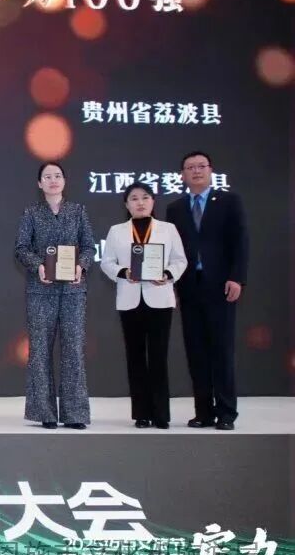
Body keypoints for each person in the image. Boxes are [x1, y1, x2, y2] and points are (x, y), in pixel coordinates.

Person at [165, 151, 248, 431]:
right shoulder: (175, 208)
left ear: (211, 170)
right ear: (182, 175)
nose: (196, 171)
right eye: (190, 167)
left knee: (221, 350)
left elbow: (240, 242)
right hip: (189, 286)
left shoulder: (229, 201)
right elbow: (172, 251)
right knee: (196, 351)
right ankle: (203, 412)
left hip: (220, 285)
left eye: (201, 166)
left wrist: (237, 278)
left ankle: (226, 413)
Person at [14, 161, 95, 429]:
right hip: (41, 289)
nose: (53, 180)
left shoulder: (78, 211)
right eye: (47, 176)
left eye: (57, 175)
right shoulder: (31, 212)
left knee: (73, 349)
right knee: (39, 351)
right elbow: (21, 248)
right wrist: (38, 265)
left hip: (73, 290)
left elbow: (89, 247)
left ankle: (75, 414)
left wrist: (81, 266)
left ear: (64, 181)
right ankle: (45, 412)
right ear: (40, 183)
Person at [100, 183, 188, 429]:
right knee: (135, 357)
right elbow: (107, 262)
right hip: (130, 300)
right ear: (126, 204)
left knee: (158, 357)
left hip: (160, 298)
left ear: (153, 201)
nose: (140, 202)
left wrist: (168, 274)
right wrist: (123, 272)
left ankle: (161, 414)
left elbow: (180, 260)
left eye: (145, 197)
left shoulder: (168, 229)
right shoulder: (117, 231)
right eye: (134, 198)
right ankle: (141, 413)